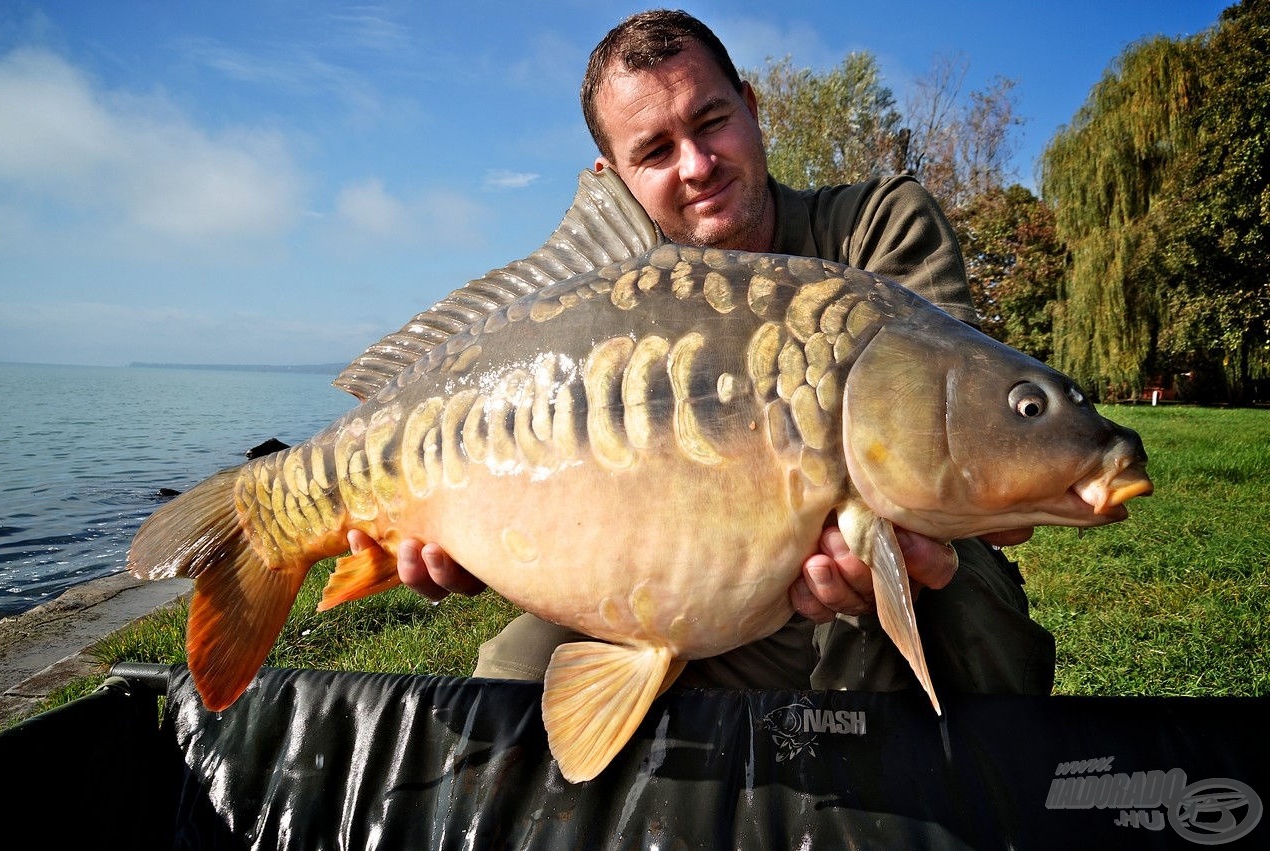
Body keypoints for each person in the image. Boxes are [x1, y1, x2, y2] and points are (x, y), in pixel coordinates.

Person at [349, 9, 1054, 695]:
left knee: (960, 609)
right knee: (510, 689)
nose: (697, 165)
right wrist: (473, 542)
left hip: (859, 584)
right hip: (656, 582)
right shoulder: (589, 308)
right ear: (614, 176)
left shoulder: (873, 228)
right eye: (655, 151)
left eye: (712, 121)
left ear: (751, 107)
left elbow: (988, 481)